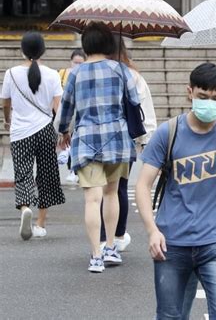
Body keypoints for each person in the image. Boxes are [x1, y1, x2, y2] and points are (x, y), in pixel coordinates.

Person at [134, 63, 216, 319]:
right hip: (172, 244)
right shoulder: (168, 132)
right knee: (171, 315)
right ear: (189, 92)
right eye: (203, 97)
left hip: (215, 243)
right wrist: (152, 230)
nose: (209, 103)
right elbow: (142, 184)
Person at [58, 22, 140, 273]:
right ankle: (111, 248)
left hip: (86, 142)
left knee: (92, 199)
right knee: (111, 194)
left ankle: (95, 256)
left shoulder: (75, 74)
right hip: (116, 139)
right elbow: (134, 101)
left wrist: (63, 131)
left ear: (85, 45)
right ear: (107, 44)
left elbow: (66, 109)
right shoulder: (120, 70)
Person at [1, 31, 66, 240]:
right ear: (43, 50)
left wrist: (7, 119)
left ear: (22, 50)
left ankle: (25, 207)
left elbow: (6, 103)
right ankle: (40, 223)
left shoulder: (11, 73)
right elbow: (58, 108)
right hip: (46, 130)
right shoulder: (53, 75)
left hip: (20, 132)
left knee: (23, 174)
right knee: (46, 175)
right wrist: (64, 131)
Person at [98, 36, 157, 252]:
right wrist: (145, 142)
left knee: (98, 190)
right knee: (118, 188)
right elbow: (143, 110)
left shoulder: (92, 72)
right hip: (124, 139)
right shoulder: (132, 76)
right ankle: (117, 235)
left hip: (96, 137)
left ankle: (103, 238)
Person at [57, 48, 86, 184]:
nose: (77, 66)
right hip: (65, 112)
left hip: (79, 114)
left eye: (81, 63)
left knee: (75, 142)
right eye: (75, 62)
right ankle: (71, 169)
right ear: (71, 62)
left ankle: (74, 170)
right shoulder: (62, 74)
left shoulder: (86, 75)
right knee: (68, 142)